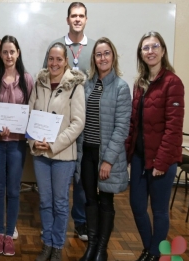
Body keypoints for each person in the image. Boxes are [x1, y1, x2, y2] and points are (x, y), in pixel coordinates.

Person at [125, 31, 184, 261]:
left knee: (159, 210)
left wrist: (161, 161)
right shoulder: (139, 84)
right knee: (137, 206)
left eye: (154, 46)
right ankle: (151, 249)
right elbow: (134, 123)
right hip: (140, 157)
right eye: (145, 48)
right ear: (140, 53)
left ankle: (153, 253)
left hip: (163, 160)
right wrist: (128, 154)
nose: (150, 51)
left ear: (163, 50)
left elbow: (173, 128)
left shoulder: (173, 82)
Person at [75, 37, 131, 261]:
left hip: (107, 156)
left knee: (106, 201)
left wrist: (107, 160)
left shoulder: (121, 87)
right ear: (94, 59)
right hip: (87, 153)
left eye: (106, 53)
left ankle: (102, 249)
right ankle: (92, 245)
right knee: (89, 199)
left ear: (113, 56)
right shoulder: (87, 85)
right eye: (98, 54)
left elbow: (122, 128)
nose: (103, 58)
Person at [42, 1, 94, 241]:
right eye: (73, 15)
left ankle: (80, 220)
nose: (77, 19)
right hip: (57, 122)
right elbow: (47, 78)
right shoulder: (57, 46)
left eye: (81, 16)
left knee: (81, 173)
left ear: (85, 19)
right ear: (67, 19)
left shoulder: (93, 47)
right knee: (58, 182)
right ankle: (52, 228)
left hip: (83, 117)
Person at [31, 42, 85, 261]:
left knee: (60, 202)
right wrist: (34, 142)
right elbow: (30, 113)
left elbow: (78, 123)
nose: (54, 63)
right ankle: (47, 244)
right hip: (40, 154)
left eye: (59, 59)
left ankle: (57, 246)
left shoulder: (75, 86)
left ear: (66, 61)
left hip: (62, 155)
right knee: (45, 200)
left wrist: (54, 144)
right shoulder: (39, 82)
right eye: (51, 59)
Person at [0, 35, 33, 256]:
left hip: (17, 144)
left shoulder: (27, 79)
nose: (7, 56)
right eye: (4, 52)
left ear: (18, 52)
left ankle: (8, 234)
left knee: (13, 189)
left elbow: (31, 112)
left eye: (11, 51)